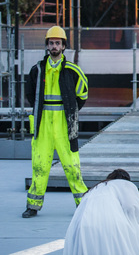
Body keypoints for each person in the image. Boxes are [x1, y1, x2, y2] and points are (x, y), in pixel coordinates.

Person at [22, 26, 89, 218]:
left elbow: (82, 93)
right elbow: (30, 94)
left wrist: (71, 111)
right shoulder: (37, 70)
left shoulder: (72, 70)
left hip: (64, 124)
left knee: (71, 165)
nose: (54, 46)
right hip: (42, 125)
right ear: (47, 45)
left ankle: (82, 204)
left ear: (63, 46)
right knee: (40, 165)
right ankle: (33, 205)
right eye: (51, 43)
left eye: (57, 43)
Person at [63, 169, 139, 255]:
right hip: (108, 225)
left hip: (81, 227)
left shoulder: (96, 188)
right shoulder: (124, 184)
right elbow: (133, 208)